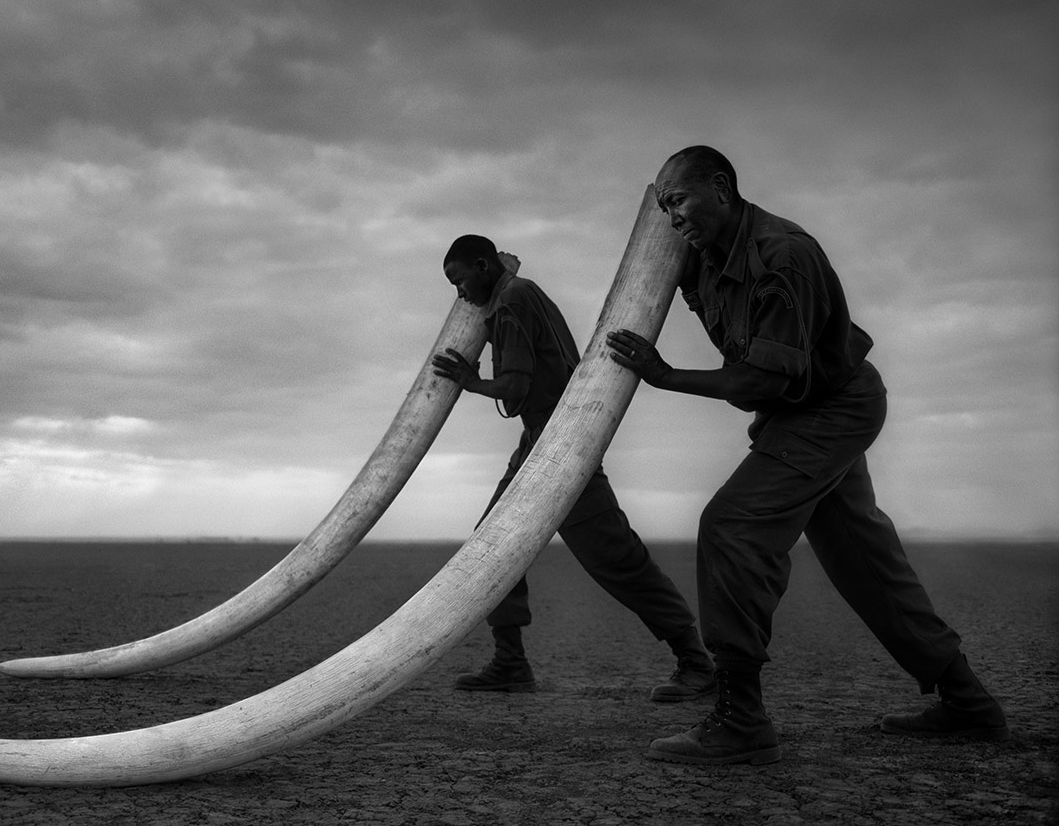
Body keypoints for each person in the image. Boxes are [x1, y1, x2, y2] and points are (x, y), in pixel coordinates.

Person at [606, 144, 1009, 765]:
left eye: (679, 200)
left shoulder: (784, 256)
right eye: (663, 206)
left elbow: (760, 383)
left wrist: (664, 375)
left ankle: (741, 718)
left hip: (833, 409)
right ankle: (968, 701)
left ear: (720, 186)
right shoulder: (701, 252)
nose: (671, 217)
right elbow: (660, 274)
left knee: (732, 526)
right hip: (798, 412)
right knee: (862, 558)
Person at [430, 234, 713, 701]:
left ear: (483, 266)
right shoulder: (522, 291)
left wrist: (470, 382)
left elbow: (515, 386)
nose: (459, 294)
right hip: (539, 441)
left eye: (459, 281)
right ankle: (510, 662)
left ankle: (696, 661)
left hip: (561, 448)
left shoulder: (510, 303)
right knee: (489, 549)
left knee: (615, 557)